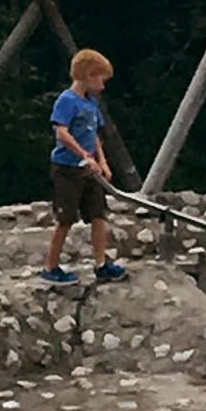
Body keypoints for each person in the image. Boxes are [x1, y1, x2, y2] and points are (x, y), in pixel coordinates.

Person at [44, 47, 127, 287]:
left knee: (98, 214)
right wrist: (83, 155)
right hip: (67, 168)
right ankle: (51, 266)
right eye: (101, 78)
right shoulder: (67, 101)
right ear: (89, 75)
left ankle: (101, 263)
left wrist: (102, 161)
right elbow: (61, 132)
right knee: (66, 217)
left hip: (90, 169)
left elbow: (95, 136)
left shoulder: (92, 104)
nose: (103, 84)